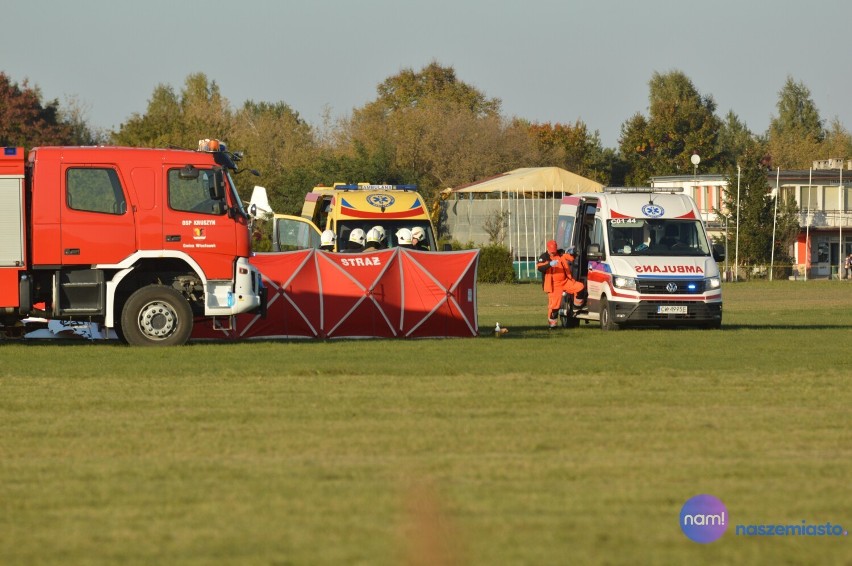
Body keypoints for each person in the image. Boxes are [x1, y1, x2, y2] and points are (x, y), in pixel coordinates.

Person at [536, 239, 585, 330]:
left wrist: (573, 252)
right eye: (551, 252)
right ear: (548, 249)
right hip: (554, 285)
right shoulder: (544, 256)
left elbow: (571, 257)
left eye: (554, 251)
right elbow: (540, 267)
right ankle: (552, 325)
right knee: (554, 306)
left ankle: (576, 307)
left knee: (580, 287)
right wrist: (549, 264)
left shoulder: (561, 253)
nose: (553, 253)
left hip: (565, 281)